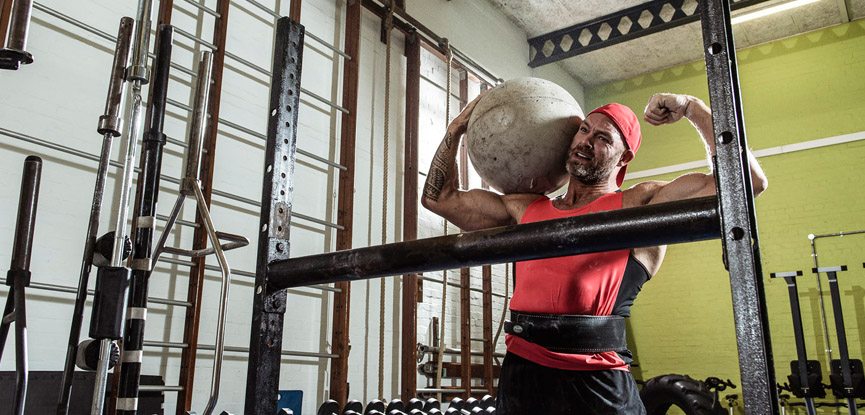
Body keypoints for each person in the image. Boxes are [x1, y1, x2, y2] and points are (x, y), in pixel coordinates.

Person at [421, 92, 768, 414]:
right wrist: (456, 129)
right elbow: (440, 198)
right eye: (584, 130)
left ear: (624, 156)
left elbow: (747, 182)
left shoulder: (640, 203)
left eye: (602, 138)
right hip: (522, 376)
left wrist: (692, 107)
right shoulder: (525, 208)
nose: (586, 141)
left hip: (595, 382)